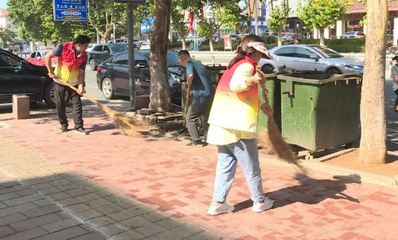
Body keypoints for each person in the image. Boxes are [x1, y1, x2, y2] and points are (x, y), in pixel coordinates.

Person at [206, 35, 274, 215]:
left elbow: (239, 96)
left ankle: (218, 203)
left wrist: (262, 106)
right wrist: (252, 80)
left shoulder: (235, 64)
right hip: (238, 127)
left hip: (222, 124)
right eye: (261, 54)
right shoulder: (246, 66)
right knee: (251, 166)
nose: (261, 58)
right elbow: (237, 86)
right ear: (256, 52)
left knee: (225, 166)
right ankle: (259, 201)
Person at [45, 35, 90, 135]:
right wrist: (50, 71)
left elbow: (82, 72)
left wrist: (81, 85)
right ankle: (64, 124)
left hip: (74, 82)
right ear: (79, 45)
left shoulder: (84, 55)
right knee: (59, 103)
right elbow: (47, 56)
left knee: (77, 104)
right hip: (60, 81)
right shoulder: (63, 47)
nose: (86, 48)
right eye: (85, 46)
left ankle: (78, 126)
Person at [178, 50, 214, 147]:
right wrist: (191, 92)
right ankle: (208, 138)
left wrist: (188, 83)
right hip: (209, 94)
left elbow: (190, 75)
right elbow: (201, 81)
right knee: (204, 117)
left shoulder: (189, 64)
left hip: (201, 96)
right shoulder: (198, 63)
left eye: (180, 62)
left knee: (190, 117)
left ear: (181, 59)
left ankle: (196, 140)